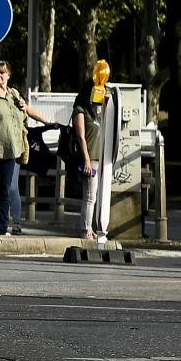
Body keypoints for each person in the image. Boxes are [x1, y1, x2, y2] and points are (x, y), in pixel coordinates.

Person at [0, 59, 45, 236]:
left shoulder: (14, 94)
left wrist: (46, 121)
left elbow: (27, 111)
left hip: (12, 148)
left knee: (5, 189)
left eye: (2, 72)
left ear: (8, 75)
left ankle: (2, 228)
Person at [74, 59, 115, 245]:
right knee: (90, 196)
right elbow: (81, 136)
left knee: (96, 196)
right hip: (89, 158)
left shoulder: (98, 110)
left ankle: (92, 227)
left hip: (101, 158)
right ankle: (85, 229)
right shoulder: (80, 110)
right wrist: (86, 160)